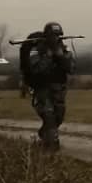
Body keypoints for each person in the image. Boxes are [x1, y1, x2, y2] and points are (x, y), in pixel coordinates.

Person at [27, 21, 74, 150]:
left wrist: (61, 56)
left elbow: (71, 68)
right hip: (42, 89)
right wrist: (48, 56)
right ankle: (52, 144)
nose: (56, 38)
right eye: (53, 35)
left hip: (58, 89)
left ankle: (44, 134)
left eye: (58, 35)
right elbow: (36, 69)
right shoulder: (37, 50)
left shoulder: (64, 50)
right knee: (49, 116)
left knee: (59, 117)